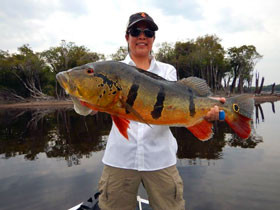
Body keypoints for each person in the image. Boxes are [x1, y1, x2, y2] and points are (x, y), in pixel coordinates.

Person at [98, 12, 225, 210]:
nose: (142, 36)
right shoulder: (112, 70)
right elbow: (84, 110)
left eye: (148, 32)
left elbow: (178, 108)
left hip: (160, 160)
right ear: (127, 37)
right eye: (135, 31)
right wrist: (77, 93)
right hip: (120, 160)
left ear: (153, 39)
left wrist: (208, 112)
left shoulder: (167, 71)